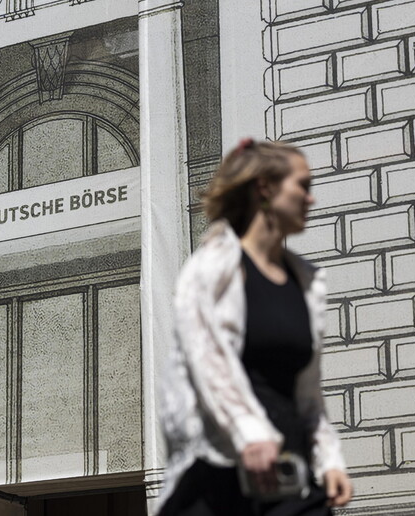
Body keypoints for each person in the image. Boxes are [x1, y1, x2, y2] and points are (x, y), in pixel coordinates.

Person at [157, 139, 352, 516]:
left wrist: (329, 458)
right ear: (265, 189)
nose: (311, 199)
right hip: (221, 474)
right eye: (303, 186)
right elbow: (207, 360)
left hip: (287, 473)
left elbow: (307, 392)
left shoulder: (306, 281)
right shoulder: (212, 268)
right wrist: (249, 431)